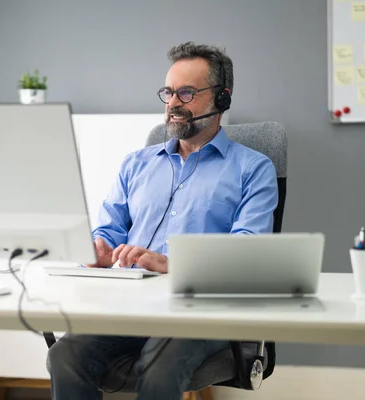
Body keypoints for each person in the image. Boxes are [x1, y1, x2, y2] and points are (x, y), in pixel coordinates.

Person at [47, 42, 278, 400]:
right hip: (126, 305)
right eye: (168, 92)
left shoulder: (254, 169)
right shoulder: (135, 163)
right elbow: (107, 230)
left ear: (222, 99)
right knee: (64, 355)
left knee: (160, 363)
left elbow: (246, 255)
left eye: (186, 92)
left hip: (198, 311)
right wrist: (97, 252)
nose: (173, 103)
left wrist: (173, 265)